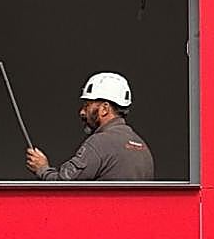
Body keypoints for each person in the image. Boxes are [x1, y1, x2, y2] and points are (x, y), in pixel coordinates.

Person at [26, 72, 154, 181]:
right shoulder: (142, 147)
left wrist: (42, 169)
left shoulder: (99, 143)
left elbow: (63, 184)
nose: (82, 112)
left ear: (104, 108)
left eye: (87, 105)